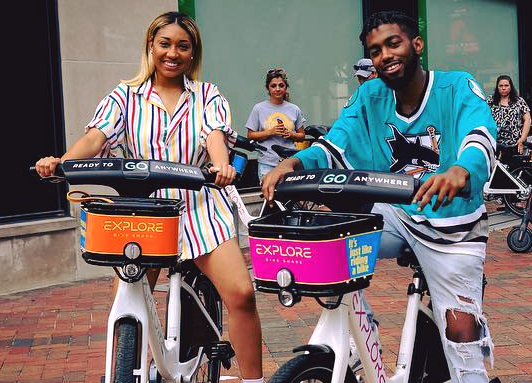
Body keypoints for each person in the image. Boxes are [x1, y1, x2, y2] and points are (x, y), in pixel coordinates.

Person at [263, 10, 496, 383]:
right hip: (395, 213)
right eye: (375, 50)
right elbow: (337, 142)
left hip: (453, 227)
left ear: (416, 45)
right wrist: (296, 162)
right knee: (336, 252)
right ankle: (358, 342)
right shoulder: (369, 95)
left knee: (461, 337)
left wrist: (461, 168)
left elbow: (479, 133)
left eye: (393, 43)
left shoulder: (456, 87)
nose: (384, 55)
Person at [34, 12, 263, 383]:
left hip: (200, 206)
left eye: (183, 46)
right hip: (147, 213)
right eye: (165, 44)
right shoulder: (124, 96)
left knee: (241, 294)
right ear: (150, 47)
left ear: (193, 53)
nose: (173, 53)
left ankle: (254, 380)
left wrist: (221, 165)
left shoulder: (208, 95)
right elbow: (97, 138)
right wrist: (62, 162)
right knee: (129, 303)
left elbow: (214, 136)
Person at [246, 68, 306, 181]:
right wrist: (270, 132)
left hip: (289, 162)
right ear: (268, 88)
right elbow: (250, 135)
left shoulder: (294, 109)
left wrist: (291, 134)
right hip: (267, 162)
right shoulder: (258, 108)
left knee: (290, 196)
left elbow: (302, 136)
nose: (277, 89)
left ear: (286, 87)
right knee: (270, 196)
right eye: (273, 86)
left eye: (281, 85)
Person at [487, 74, 531, 163]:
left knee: (513, 169)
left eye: (506, 85)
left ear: (511, 87)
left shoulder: (518, 101)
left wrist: (522, 139)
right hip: (495, 143)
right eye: (501, 86)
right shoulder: (491, 101)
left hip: (514, 144)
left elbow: (528, 119)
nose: (503, 88)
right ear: (497, 87)